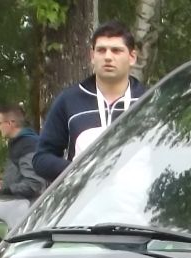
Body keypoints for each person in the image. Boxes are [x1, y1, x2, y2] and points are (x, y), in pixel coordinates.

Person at [33, 21, 146, 181]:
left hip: (140, 203)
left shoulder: (151, 99)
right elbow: (41, 159)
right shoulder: (69, 100)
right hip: (84, 203)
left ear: (132, 57)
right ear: (92, 56)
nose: (108, 57)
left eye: (116, 50)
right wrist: (79, 171)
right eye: (101, 50)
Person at [0, 105, 47, 199]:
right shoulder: (18, 144)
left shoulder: (28, 145)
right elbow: (18, 177)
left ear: (10, 123)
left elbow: (34, 184)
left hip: (31, 207)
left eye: (0, 123)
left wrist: (7, 189)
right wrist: (1, 185)